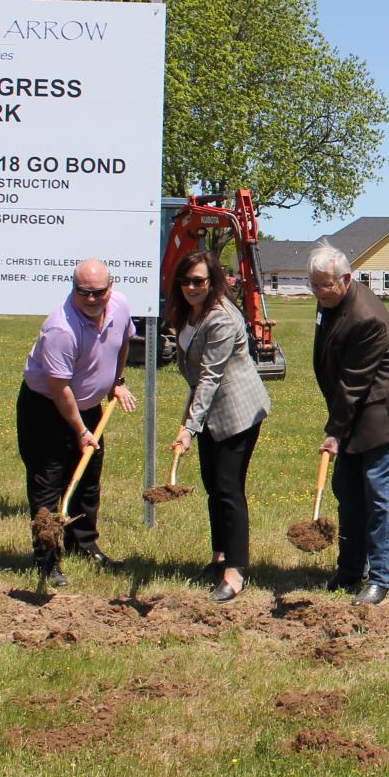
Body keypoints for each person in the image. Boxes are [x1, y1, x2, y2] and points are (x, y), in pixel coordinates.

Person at [16, 259, 138, 586]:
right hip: (46, 409)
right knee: (49, 483)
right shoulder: (60, 328)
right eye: (83, 292)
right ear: (73, 289)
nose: (91, 299)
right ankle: (47, 559)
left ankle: (84, 544)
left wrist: (117, 380)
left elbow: (124, 341)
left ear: (109, 289)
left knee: (87, 479)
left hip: (88, 405)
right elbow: (59, 388)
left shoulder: (120, 306)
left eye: (97, 292)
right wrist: (81, 430)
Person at [310, 243, 389, 606]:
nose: (320, 292)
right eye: (314, 285)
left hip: (381, 415)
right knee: (347, 489)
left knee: (377, 496)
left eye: (326, 285)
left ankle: (380, 578)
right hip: (354, 411)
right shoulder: (331, 302)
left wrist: (334, 433)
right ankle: (350, 567)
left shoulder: (365, 316)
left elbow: (354, 383)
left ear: (346, 279)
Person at [168, 250, 271, 603]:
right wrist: (192, 422)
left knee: (228, 488)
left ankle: (235, 571)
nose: (191, 287)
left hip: (236, 411)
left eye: (198, 281)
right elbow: (197, 377)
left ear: (213, 282)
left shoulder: (222, 319)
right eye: (185, 281)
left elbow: (211, 377)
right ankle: (219, 558)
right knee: (212, 484)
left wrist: (189, 427)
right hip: (210, 409)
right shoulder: (189, 313)